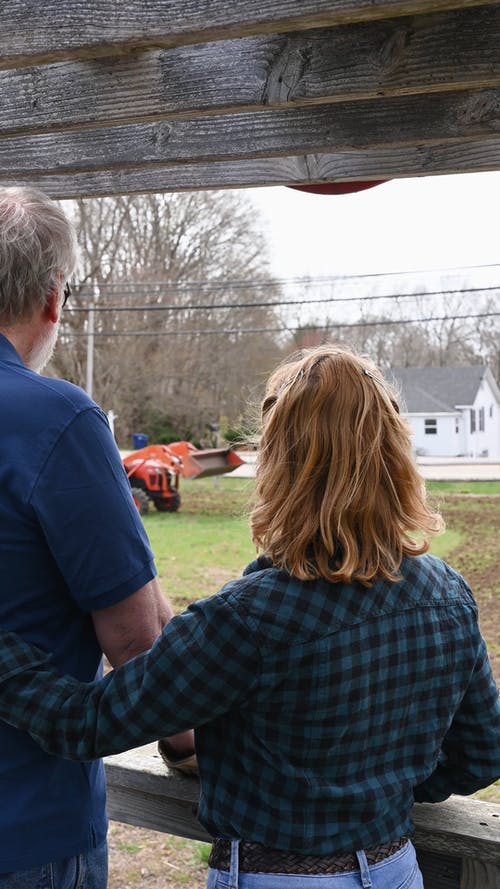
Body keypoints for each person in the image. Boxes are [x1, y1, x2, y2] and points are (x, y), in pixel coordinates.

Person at [0, 344, 499, 889]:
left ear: (280, 463)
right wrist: (384, 787)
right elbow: (480, 755)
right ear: (394, 455)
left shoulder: (251, 617)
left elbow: (85, 722)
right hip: (395, 871)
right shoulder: (448, 593)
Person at [0, 186, 193, 889]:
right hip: (26, 827)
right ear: (53, 298)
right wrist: (192, 749)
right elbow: (138, 641)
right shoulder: (58, 420)